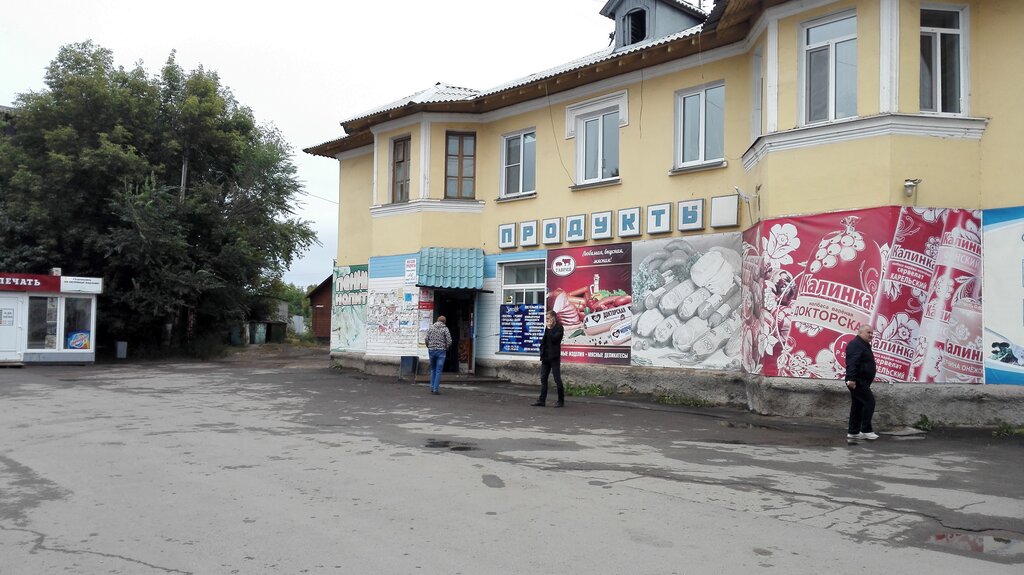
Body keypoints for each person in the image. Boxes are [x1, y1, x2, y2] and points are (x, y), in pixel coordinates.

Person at [845, 324, 878, 440]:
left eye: (872, 333)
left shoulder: (863, 344)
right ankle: (865, 430)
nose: (871, 335)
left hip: (861, 380)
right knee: (869, 402)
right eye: (868, 332)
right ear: (860, 333)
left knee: (857, 405)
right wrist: (852, 378)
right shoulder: (856, 344)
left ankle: (853, 432)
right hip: (857, 380)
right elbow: (852, 362)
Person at [532, 310, 565, 408]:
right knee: (543, 378)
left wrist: (550, 329)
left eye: (548, 318)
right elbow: (545, 339)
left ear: (553, 318)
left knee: (557, 379)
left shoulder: (559, 327)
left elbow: (555, 340)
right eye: (546, 318)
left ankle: (561, 401)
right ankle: (542, 400)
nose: (547, 320)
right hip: (546, 357)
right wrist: (541, 350)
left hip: (554, 357)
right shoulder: (547, 327)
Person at [425, 315, 452, 395]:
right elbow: (449, 340)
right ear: (444, 321)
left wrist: (429, 346)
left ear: (437, 320)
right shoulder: (445, 329)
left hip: (431, 350)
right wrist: (446, 347)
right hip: (441, 351)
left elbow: (426, 339)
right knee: (438, 370)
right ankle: (436, 389)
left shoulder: (431, 328)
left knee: (433, 369)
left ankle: (432, 387)